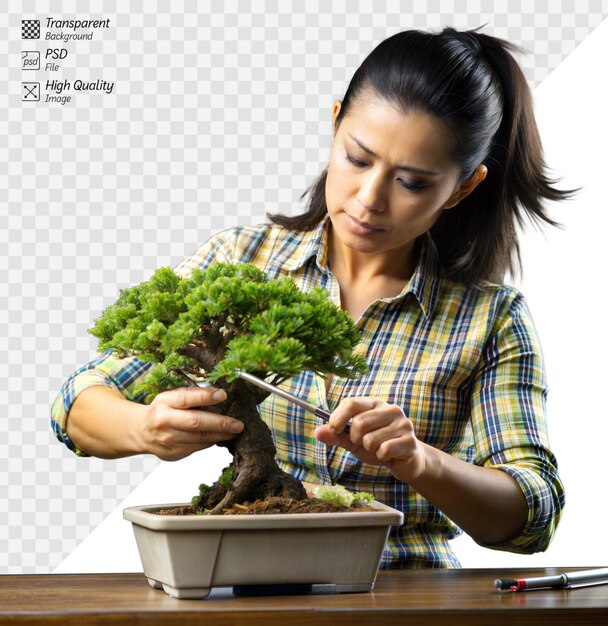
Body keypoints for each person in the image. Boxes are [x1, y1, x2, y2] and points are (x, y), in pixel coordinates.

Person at [51, 27, 569, 568]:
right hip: (245, 590)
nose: (369, 199)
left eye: (412, 182)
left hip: (407, 599)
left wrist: (419, 461)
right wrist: (142, 427)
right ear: (336, 121)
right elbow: (77, 402)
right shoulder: (242, 263)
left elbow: (534, 514)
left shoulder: (489, 319)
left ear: (462, 187)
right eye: (358, 158)